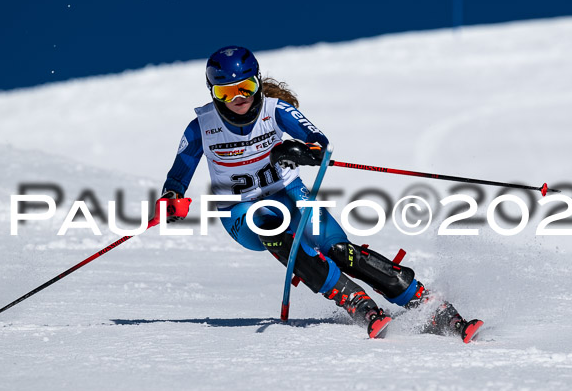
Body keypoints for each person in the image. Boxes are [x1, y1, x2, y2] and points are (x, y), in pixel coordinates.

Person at [158, 45, 482, 341]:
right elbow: (178, 175)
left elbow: (317, 141)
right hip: (239, 210)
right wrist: (172, 199)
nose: (238, 98)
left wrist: (298, 149)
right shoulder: (201, 127)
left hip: (289, 192)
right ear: (213, 93)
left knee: (338, 249)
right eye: (226, 92)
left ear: (257, 83)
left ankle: (426, 302)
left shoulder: (276, 110)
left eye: (246, 88)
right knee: (270, 227)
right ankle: (352, 298)